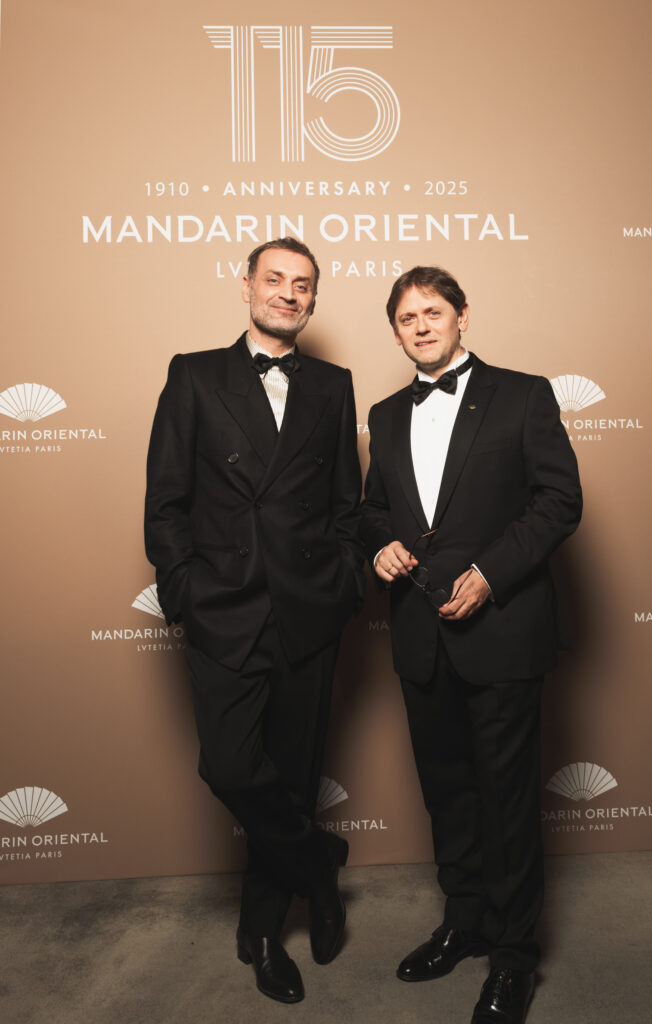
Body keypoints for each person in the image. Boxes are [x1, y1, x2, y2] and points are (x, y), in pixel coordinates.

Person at [145, 238, 364, 1004]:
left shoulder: (333, 385)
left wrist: (341, 585)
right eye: (274, 279)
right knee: (232, 767)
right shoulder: (195, 374)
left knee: (293, 779)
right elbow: (165, 502)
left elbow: (346, 505)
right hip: (224, 609)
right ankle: (320, 867)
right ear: (246, 287)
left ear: (313, 299)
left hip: (307, 613)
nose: (288, 293)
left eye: (302, 284)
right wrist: (186, 590)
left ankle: (264, 932)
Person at [360, 266, 582, 1024]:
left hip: (503, 632)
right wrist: (380, 544)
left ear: (461, 316)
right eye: (407, 317)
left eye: (433, 311)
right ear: (396, 331)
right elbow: (373, 510)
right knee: (447, 794)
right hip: (421, 637)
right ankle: (466, 921)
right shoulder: (385, 414)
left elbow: (559, 500)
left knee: (507, 799)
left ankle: (514, 957)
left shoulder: (523, 394)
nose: (421, 326)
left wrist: (491, 573)